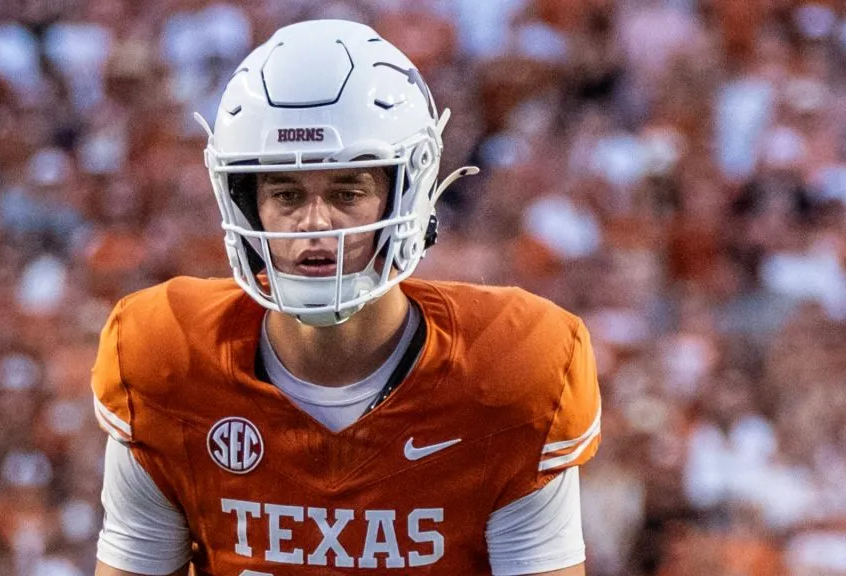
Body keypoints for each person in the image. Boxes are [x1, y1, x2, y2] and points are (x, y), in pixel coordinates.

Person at [92, 19, 600, 576]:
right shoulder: (168, 363)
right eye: (286, 193)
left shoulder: (507, 374)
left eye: (347, 191)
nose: (315, 223)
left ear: (405, 195)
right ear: (245, 204)